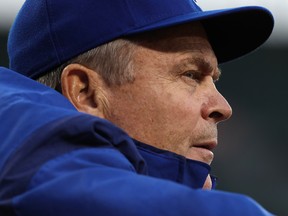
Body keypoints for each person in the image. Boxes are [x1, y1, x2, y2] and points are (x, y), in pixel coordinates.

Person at [0, 0, 275, 215]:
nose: (223, 107)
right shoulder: (23, 146)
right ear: (85, 92)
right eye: (191, 75)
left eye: (213, 80)